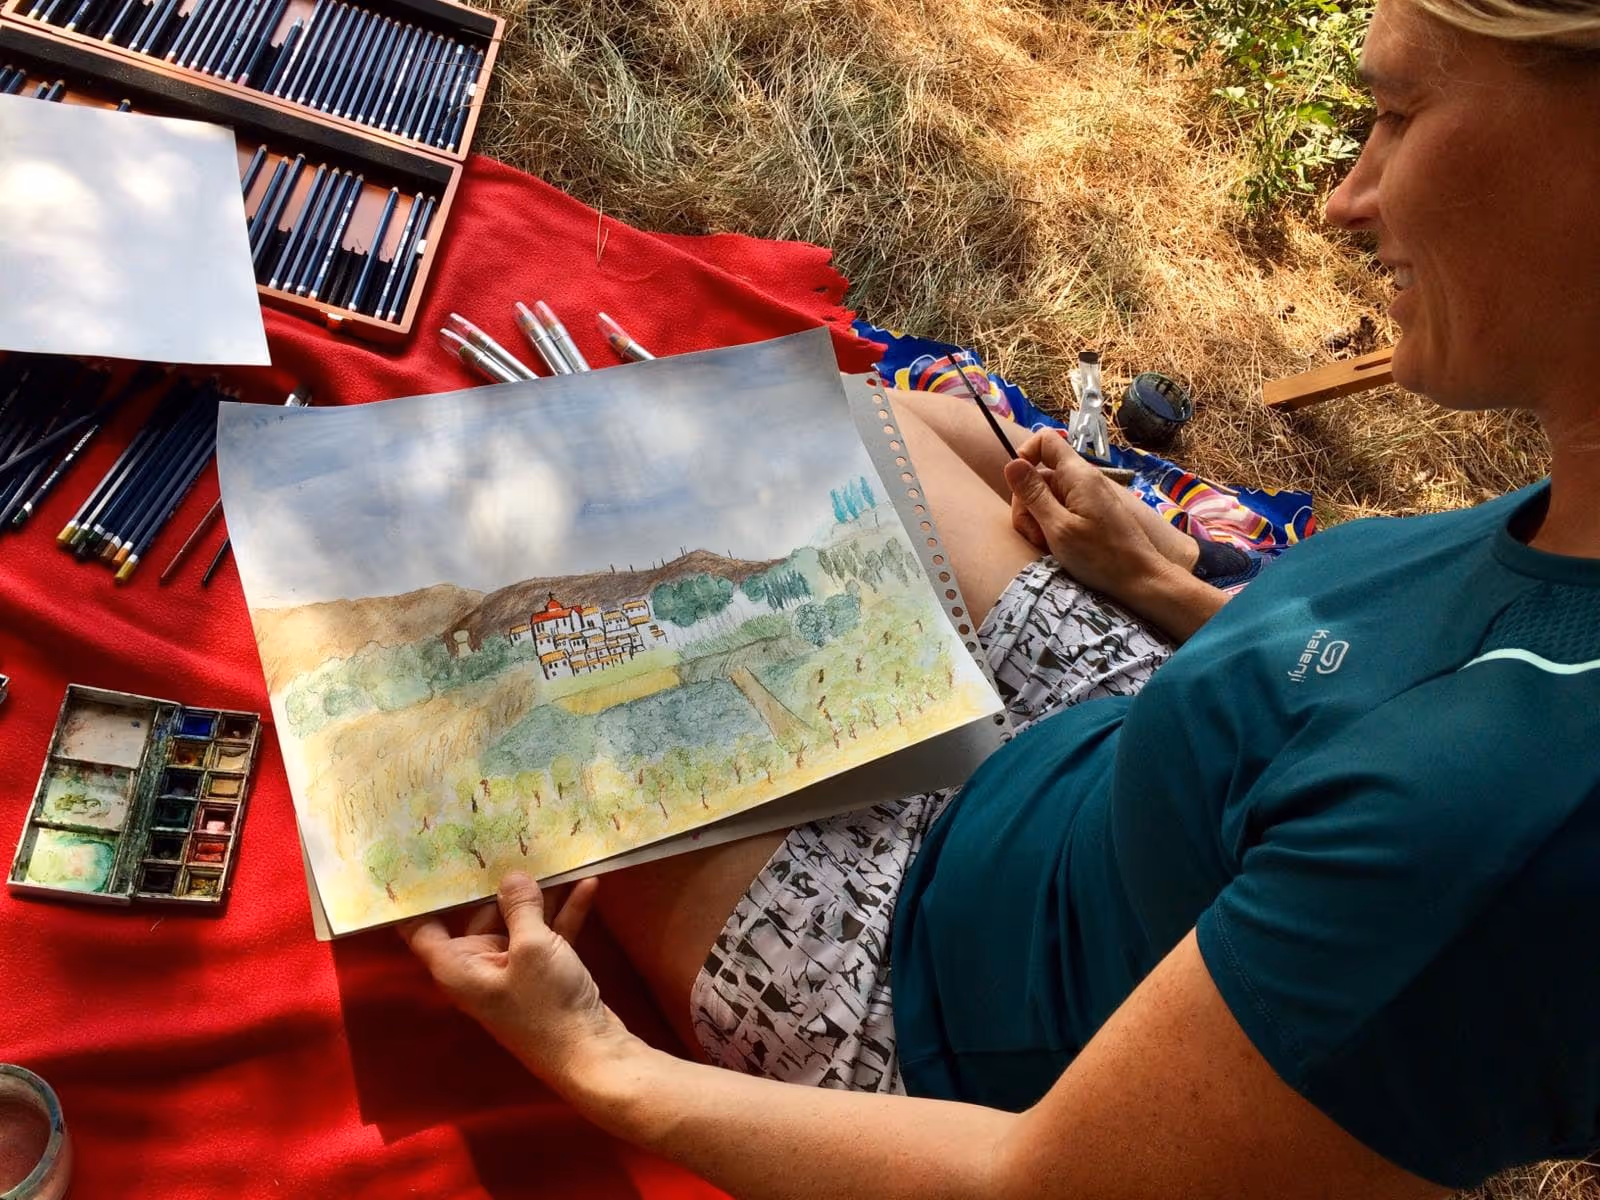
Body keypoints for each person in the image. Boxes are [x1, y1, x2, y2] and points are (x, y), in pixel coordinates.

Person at [402, 1, 1600, 1194]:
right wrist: (1163, 581)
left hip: (925, 996)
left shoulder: (1505, 855)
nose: (1347, 196)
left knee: (524, 631)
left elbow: (1041, 1180)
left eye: (1397, 113)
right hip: (1130, 748)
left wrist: (601, 1067)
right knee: (813, 427)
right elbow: (1383, 703)